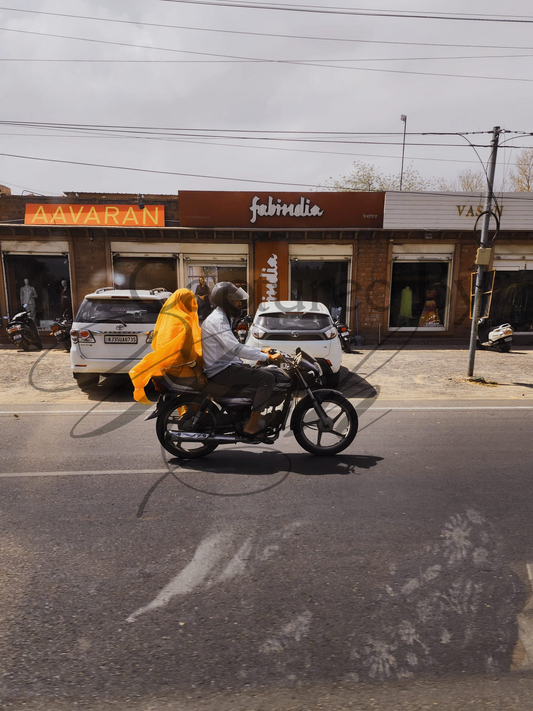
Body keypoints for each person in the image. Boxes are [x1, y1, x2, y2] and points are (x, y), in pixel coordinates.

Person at [201, 282, 282, 437]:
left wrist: (260, 351)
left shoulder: (224, 317)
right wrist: (267, 357)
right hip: (221, 370)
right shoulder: (218, 320)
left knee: (261, 372)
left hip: (226, 365)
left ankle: (245, 414)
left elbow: (233, 346)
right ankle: (251, 426)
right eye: (236, 301)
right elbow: (235, 349)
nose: (239, 304)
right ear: (227, 301)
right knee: (267, 379)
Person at [129, 288, 204, 405]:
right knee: (211, 382)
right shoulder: (184, 319)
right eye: (190, 301)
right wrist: (198, 370)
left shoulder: (168, 317)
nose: (193, 305)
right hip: (179, 367)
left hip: (165, 364)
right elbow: (185, 351)